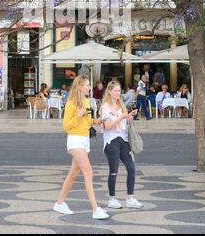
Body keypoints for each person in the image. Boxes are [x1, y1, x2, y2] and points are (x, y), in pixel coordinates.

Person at [53, 75, 109, 219]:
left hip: (85, 140)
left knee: (73, 174)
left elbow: (88, 121)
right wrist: (78, 116)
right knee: (88, 172)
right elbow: (66, 126)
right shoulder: (71, 103)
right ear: (79, 86)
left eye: (89, 85)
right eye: (87, 85)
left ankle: (59, 203)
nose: (90, 87)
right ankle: (95, 209)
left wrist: (98, 120)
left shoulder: (86, 101)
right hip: (75, 140)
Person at [100, 81, 143, 209]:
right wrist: (121, 117)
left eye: (119, 91)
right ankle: (112, 199)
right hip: (111, 141)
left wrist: (129, 117)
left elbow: (125, 122)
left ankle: (130, 198)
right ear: (109, 92)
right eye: (115, 91)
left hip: (123, 140)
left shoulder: (121, 105)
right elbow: (107, 126)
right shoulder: (105, 107)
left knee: (132, 168)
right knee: (114, 171)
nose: (118, 93)